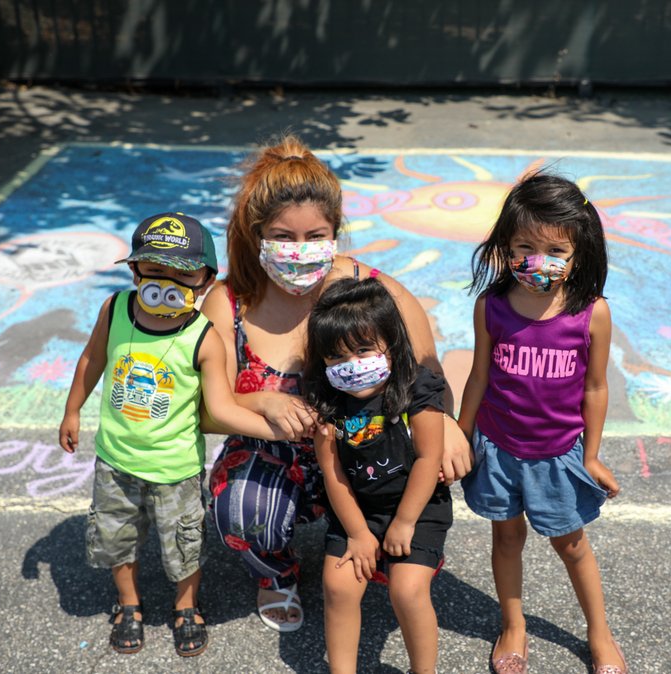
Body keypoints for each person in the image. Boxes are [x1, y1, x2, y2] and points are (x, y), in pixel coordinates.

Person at [202, 134, 471, 633]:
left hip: (368, 455)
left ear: (335, 231)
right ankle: (276, 573)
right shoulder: (228, 302)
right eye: (283, 237)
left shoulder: (370, 289)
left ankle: (393, 544)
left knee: (427, 471)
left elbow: (426, 366)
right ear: (256, 232)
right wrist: (262, 400)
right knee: (240, 510)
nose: (300, 252)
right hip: (279, 458)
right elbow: (206, 407)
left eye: (315, 236)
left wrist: (448, 421)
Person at [59, 212, 285, 657]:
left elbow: (220, 408)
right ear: (134, 270)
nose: (165, 281)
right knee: (116, 536)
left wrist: (275, 431)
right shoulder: (117, 309)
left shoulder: (204, 337)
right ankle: (128, 604)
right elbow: (91, 360)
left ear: (205, 280)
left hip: (176, 470)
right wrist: (72, 410)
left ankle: (186, 607)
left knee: (184, 544)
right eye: (154, 270)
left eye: (181, 273)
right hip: (115, 460)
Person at [458, 172, 628, 674]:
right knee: (506, 539)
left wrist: (591, 455)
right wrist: (460, 436)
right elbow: (478, 376)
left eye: (555, 249)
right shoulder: (491, 306)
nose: (538, 260)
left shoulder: (592, 313)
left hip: (559, 455)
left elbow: (595, 388)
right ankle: (513, 625)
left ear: (580, 251)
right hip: (499, 449)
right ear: (505, 246)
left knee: (572, 544)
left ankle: (599, 632)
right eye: (524, 246)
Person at [303, 277, 451, 674]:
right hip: (356, 511)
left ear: (392, 342)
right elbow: (333, 470)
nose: (351, 365)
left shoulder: (417, 388)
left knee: (407, 590)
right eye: (335, 357)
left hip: (416, 511)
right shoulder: (326, 400)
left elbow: (427, 457)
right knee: (337, 587)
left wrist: (403, 523)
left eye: (364, 350)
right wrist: (357, 533)